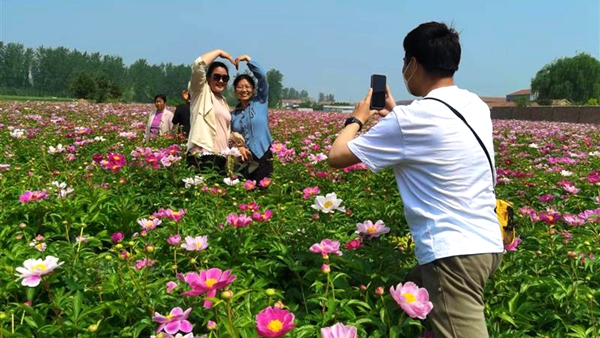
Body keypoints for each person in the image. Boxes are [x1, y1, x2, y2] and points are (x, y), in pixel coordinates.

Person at [327, 22, 503, 338]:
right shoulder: (476, 105)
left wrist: (357, 118)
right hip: (487, 242)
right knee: (401, 302)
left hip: (453, 254)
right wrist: (396, 113)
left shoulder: (410, 120)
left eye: (404, 61)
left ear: (413, 64)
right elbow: (436, 128)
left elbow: (337, 156)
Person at [187, 49, 237, 173]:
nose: (221, 81)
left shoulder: (223, 101)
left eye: (225, 78)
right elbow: (198, 66)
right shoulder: (200, 92)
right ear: (208, 78)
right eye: (217, 77)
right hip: (203, 154)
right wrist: (220, 52)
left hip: (221, 157)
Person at [230, 54, 273, 181]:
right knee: (244, 193)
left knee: (263, 190)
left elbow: (263, 77)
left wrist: (248, 59)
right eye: (240, 87)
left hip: (263, 154)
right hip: (243, 158)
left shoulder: (260, 102)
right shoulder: (233, 115)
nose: (244, 90)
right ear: (235, 91)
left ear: (254, 89)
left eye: (248, 86)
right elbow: (230, 137)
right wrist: (238, 148)